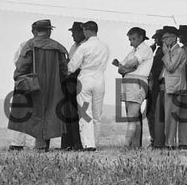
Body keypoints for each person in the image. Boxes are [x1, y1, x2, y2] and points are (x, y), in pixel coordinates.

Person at [7, 19, 69, 151]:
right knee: (49, 113)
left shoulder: (29, 45)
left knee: (32, 114)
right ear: (49, 31)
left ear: (34, 31)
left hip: (33, 85)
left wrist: (18, 78)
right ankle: (43, 145)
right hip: (53, 86)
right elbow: (64, 70)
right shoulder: (58, 47)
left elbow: (21, 67)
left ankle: (26, 144)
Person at [67, 19, 110, 152]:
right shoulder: (104, 46)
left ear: (87, 30)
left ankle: (88, 144)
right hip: (100, 79)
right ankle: (95, 142)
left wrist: (66, 70)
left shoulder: (83, 47)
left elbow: (72, 67)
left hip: (85, 79)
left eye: (84, 30)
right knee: (97, 114)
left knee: (85, 113)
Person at [113, 26, 153, 148]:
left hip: (137, 82)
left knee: (132, 116)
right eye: (130, 40)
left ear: (141, 37)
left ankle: (127, 144)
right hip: (129, 82)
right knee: (133, 116)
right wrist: (127, 67)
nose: (131, 43)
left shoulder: (145, 49)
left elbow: (130, 63)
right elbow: (121, 68)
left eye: (133, 39)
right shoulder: (133, 51)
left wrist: (126, 67)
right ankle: (135, 145)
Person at [161, 27, 187, 148]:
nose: (164, 40)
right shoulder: (172, 51)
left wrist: (165, 54)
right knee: (169, 115)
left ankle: (169, 143)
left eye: (166, 37)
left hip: (174, 86)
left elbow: (171, 67)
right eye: (163, 38)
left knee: (171, 115)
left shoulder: (179, 51)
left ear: (174, 38)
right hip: (171, 85)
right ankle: (169, 141)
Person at [60, 21, 86, 151]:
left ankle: (77, 143)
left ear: (82, 32)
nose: (73, 35)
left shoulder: (85, 46)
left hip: (78, 79)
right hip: (70, 80)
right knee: (68, 112)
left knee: (77, 113)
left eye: (74, 32)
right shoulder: (73, 47)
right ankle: (68, 143)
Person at [145, 28, 166, 148]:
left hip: (156, 85)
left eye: (157, 38)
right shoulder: (159, 50)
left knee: (153, 112)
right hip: (154, 84)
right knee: (151, 112)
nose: (155, 40)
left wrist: (149, 51)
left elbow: (153, 63)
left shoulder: (162, 51)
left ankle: (156, 139)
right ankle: (155, 138)